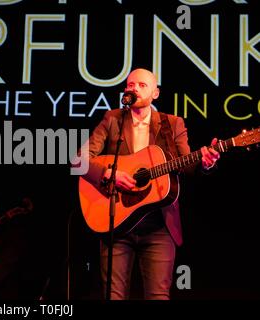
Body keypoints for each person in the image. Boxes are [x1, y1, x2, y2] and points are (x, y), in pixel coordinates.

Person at [81, 68, 220, 300]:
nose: (133, 88)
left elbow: (186, 165)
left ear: (155, 93)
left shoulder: (172, 124)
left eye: (141, 85)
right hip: (117, 224)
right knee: (113, 296)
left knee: (158, 297)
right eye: (130, 84)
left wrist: (206, 162)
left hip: (159, 226)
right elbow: (79, 161)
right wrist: (108, 173)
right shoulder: (112, 119)